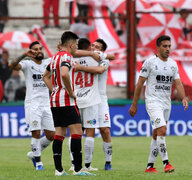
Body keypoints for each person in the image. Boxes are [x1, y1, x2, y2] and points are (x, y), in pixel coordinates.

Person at [129, 35, 188, 173]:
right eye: (164, 46)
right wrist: (134, 104)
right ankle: (166, 163)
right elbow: (140, 83)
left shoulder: (173, 64)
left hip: (166, 103)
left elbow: (178, 82)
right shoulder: (149, 62)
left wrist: (183, 97)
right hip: (153, 101)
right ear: (158, 47)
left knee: (157, 133)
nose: (168, 49)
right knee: (162, 129)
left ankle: (150, 166)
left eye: (169, 46)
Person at [43, 31, 95, 176]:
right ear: (71, 45)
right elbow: (65, 73)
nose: (76, 48)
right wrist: (70, 91)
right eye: (76, 45)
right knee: (77, 132)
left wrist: (55, 90)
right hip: (67, 100)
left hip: (55, 101)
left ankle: (58, 170)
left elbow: (45, 77)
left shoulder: (54, 58)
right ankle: (78, 169)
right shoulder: (66, 56)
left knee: (59, 134)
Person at [9, 41, 55, 171]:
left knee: (51, 135)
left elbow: (62, 58)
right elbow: (11, 65)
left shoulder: (48, 63)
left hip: (46, 103)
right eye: (35, 49)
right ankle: (39, 164)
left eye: (40, 48)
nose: (39, 51)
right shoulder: (27, 64)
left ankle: (34, 154)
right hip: (33, 103)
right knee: (36, 132)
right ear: (31, 52)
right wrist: (24, 54)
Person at [73, 39, 114, 171]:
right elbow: (73, 51)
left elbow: (100, 69)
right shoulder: (84, 56)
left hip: (101, 98)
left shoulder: (103, 60)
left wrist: (81, 67)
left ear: (102, 51)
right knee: (80, 131)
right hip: (85, 97)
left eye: (98, 47)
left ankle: (108, 162)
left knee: (105, 130)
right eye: (93, 45)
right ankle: (78, 164)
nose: (94, 48)